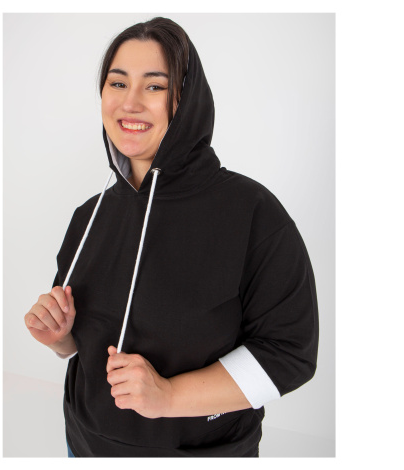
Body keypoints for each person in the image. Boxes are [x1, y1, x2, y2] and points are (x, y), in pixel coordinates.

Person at [24, 17, 319, 458]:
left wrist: (169, 396)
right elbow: (81, 345)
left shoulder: (252, 212)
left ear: (187, 99)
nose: (130, 103)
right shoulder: (89, 216)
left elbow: (290, 355)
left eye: (155, 86)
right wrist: (60, 336)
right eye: (118, 83)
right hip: (82, 447)